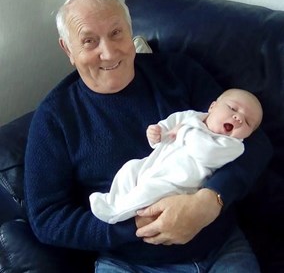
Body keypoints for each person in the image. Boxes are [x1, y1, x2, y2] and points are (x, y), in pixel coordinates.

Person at [24, 0, 280, 273]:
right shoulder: (55, 118)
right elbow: (47, 217)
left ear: (131, 33)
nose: (108, 51)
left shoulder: (179, 73)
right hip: (131, 267)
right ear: (67, 49)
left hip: (220, 248)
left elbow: (254, 141)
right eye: (89, 41)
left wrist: (210, 201)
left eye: (117, 33)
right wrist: (133, 228)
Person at [90, 88, 263, 224]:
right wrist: (157, 133)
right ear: (213, 107)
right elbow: (168, 127)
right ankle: (114, 198)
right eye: (233, 108)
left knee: (148, 190)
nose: (238, 117)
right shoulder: (190, 116)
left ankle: (115, 212)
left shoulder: (232, 145)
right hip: (153, 165)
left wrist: (184, 130)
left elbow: (205, 153)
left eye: (248, 122)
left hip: (178, 184)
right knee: (130, 168)